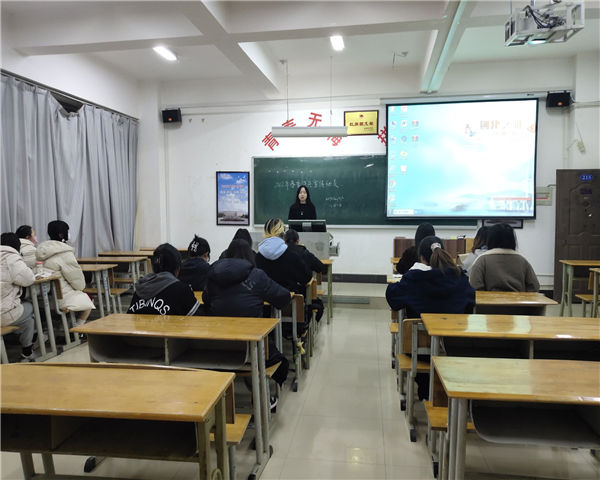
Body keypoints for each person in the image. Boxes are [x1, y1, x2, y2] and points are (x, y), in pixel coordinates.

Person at [386, 236, 476, 400]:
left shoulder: (413, 280)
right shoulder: (460, 279)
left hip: (419, 352)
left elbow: (392, 298)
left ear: (421, 258)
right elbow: (471, 304)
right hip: (453, 348)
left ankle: (427, 393)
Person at [203, 239, 291, 397]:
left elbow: (206, 300)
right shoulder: (257, 275)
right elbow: (283, 297)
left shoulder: (214, 275)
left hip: (217, 345)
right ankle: (264, 399)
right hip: (251, 346)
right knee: (274, 354)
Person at [36, 221, 94, 326]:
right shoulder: (65, 254)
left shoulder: (40, 252)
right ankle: (78, 328)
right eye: (67, 231)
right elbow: (78, 283)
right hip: (61, 299)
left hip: (42, 298)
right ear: (61, 235)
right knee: (89, 297)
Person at [128, 243, 201, 316]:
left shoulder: (140, 288)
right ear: (177, 268)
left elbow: (129, 317)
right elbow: (198, 318)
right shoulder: (182, 290)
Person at [0, 233, 40, 361]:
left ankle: (28, 350)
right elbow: (29, 279)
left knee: (28, 321)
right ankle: (32, 345)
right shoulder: (12, 258)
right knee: (30, 307)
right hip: (3, 314)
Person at [469, 223, 539, 292]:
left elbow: (474, 287)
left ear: (490, 239)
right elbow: (534, 286)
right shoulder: (522, 261)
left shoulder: (482, 260)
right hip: (517, 299)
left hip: (490, 299)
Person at [256, 218, 312, 292]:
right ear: (283, 234)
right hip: (288, 298)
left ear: (265, 233)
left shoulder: (256, 258)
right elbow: (306, 278)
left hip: (262, 298)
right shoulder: (292, 256)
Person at [284, 229, 325, 322]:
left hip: (283, 298)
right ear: (298, 240)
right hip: (302, 296)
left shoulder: (280, 254)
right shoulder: (304, 253)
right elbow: (320, 267)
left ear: (284, 241)